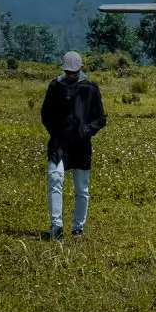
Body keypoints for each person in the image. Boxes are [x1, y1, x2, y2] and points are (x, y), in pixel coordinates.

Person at [40, 50, 106, 240]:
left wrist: (87, 130)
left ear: (80, 69)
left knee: (82, 188)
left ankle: (78, 228)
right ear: (64, 70)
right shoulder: (55, 87)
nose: (71, 76)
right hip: (58, 143)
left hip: (81, 145)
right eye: (68, 72)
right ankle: (56, 227)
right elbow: (45, 114)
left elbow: (100, 118)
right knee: (55, 179)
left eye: (74, 72)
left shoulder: (90, 88)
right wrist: (56, 131)